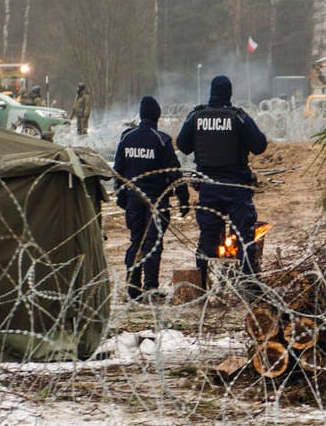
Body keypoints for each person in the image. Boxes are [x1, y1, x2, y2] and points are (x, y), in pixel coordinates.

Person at [176, 75, 268, 288]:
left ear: (211, 93)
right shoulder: (238, 117)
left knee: (207, 237)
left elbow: (183, 145)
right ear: (229, 93)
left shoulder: (196, 116)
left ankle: (200, 286)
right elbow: (259, 145)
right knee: (244, 236)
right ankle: (248, 285)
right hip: (236, 186)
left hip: (208, 186)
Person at [113, 95, 189, 302]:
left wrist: (122, 197)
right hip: (157, 200)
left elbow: (118, 171)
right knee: (153, 243)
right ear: (157, 116)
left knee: (136, 241)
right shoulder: (161, 140)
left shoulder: (127, 138)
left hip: (133, 199)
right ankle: (150, 287)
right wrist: (184, 199)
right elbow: (175, 172)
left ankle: (132, 287)